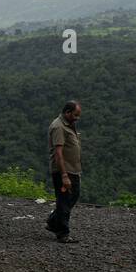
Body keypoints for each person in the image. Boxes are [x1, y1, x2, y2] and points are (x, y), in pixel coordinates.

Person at [45, 101, 83, 243]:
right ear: (67, 112)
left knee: (71, 198)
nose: (77, 118)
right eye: (75, 115)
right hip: (64, 171)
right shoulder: (58, 127)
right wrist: (64, 175)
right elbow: (58, 153)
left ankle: (53, 222)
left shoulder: (69, 125)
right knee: (64, 201)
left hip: (73, 170)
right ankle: (62, 233)